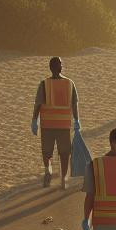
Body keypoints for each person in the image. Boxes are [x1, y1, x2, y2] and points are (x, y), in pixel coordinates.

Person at [31, 55, 80, 189]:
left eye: (60, 64)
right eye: (58, 64)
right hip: (49, 125)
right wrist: (34, 120)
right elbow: (38, 104)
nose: (60, 66)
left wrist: (77, 120)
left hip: (62, 125)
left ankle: (63, 178)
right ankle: (48, 171)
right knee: (47, 151)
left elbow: (74, 104)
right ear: (52, 67)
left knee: (64, 152)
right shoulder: (44, 84)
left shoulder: (69, 83)